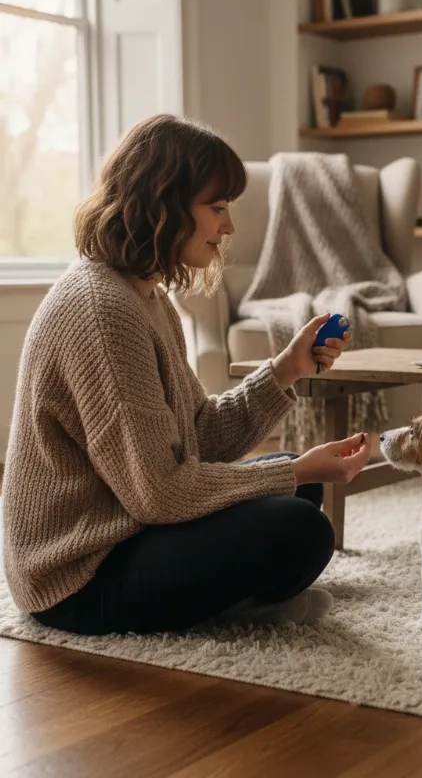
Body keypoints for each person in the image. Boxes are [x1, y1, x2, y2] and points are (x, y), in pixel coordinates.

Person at [2, 114, 371, 636]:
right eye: (217, 208)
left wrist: (286, 369)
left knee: (296, 483)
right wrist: (296, 474)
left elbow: (197, 437)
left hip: (129, 527)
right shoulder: (101, 310)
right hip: (77, 577)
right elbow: (161, 492)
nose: (228, 226)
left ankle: (237, 594)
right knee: (301, 525)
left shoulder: (144, 295)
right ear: (163, 204)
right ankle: (238, 604)